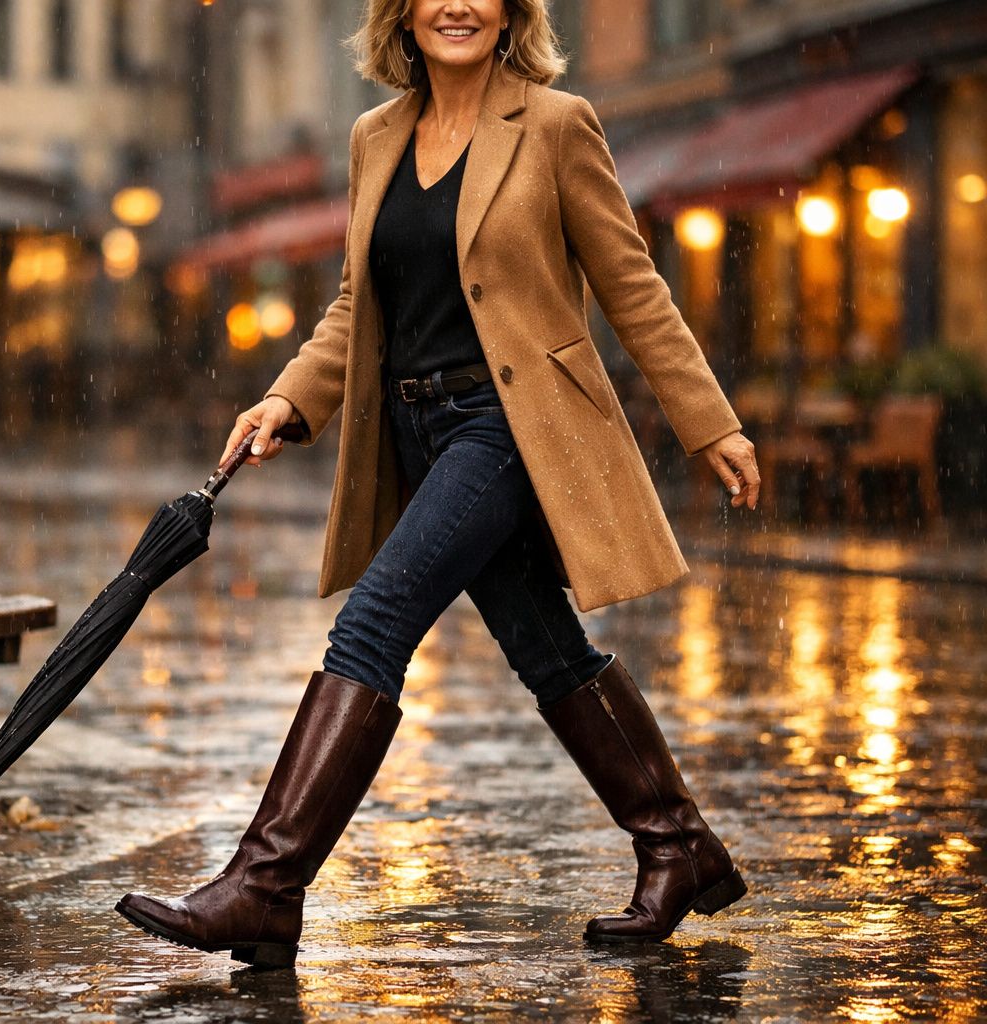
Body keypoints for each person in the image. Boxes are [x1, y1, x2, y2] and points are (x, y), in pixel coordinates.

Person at [117, 0, 761, 968]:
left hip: (507, 426)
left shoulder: (555, 124)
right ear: (402, 14)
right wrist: (287, 400)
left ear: (509, 11)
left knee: (373, 623)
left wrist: (709, 420)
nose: (456, 4)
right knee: (547, 647)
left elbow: (632, 284)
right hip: (414, 427)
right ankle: (680, 846)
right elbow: (354, 304)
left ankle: (265, 884)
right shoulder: (375, 139)